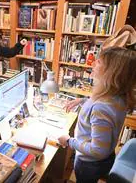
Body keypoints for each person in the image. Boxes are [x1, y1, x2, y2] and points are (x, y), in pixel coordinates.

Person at [58, 47, 136, 183]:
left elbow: (97, 150)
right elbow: (102, 109)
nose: (93, 64)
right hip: (106, 157)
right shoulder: (117, 95)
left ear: (111, 73)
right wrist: (82, 101)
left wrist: (69, 141)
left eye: (99, 62)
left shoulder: (101, 108)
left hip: (89, 163)